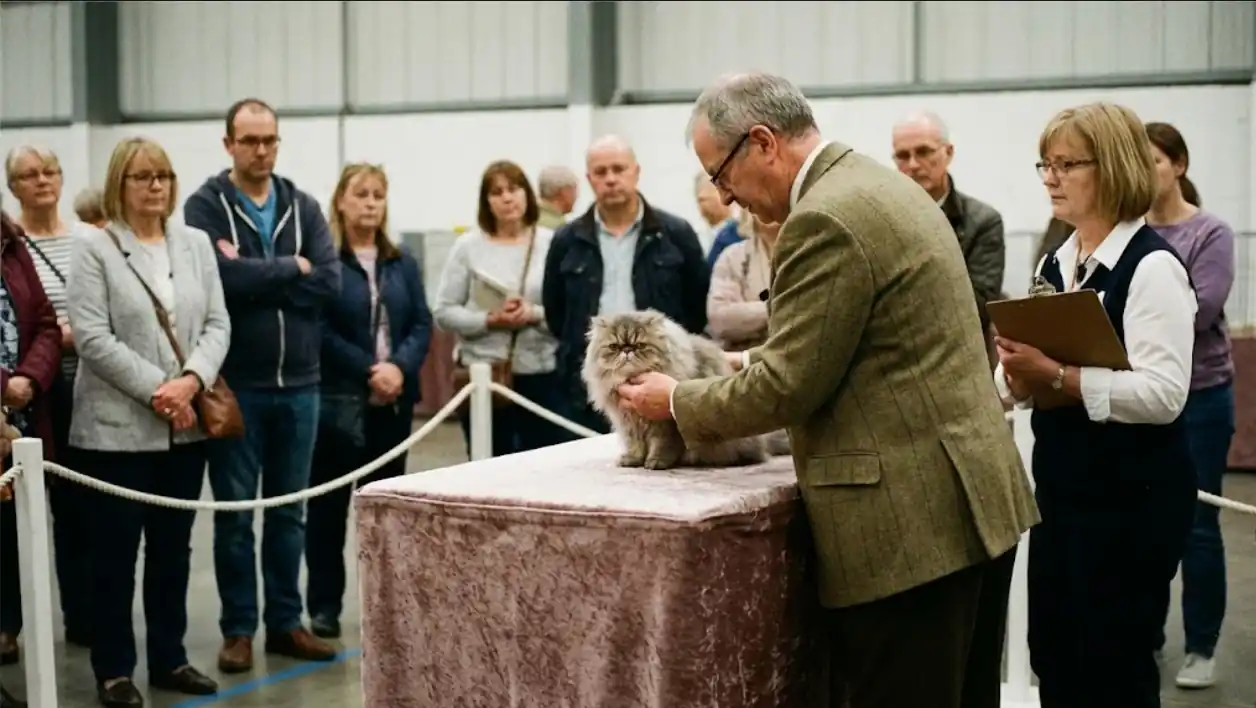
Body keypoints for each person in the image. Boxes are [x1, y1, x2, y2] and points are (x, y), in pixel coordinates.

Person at [616, 72, 1038, 708]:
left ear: (762, 142)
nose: (726, 197)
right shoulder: (875, 185)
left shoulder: (823, 221)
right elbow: (875, 342)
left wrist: (674, 400)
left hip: (907, 532)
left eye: (720, 174)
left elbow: (786, 389)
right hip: (968, 505)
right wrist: (745, 360)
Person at [994, 104, 1197, 708]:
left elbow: (1163, 396)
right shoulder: (1057, 262)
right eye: (1045, 165)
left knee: (1114, 669)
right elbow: (1027, 374)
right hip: (1064, 496)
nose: (1051, 178)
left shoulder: (1153, 267)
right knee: (1055, 655)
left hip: (1132, 503)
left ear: (1110, 168)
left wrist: (1057, 375)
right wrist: (1012, 382)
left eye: (1066, 164)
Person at [67, 136, 230, 704]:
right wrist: (160, 390)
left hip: (185, 432)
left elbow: (216, 323)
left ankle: (170, 658)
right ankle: (113, 670)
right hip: (114, 434)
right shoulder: (95, 248)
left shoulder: (196, 244)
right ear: (120, 183)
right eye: (142, 177)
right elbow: (91, 336)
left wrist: (191, 380)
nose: (155, 185)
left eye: (162, 175)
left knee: (172, 552)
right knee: (113, 557)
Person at [182, 98, 341, 671]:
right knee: (234, 517)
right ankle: (239, 628)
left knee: (289, 514)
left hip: (301, 385)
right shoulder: (205, 206)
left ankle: (285, 622)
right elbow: (218, 281)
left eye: (269, 139)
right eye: (249, 141)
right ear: (228, 144)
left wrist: (260, 275)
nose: (261, 150)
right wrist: (287, 268)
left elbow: (328, 279)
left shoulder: (303, 204)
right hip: (237, 387)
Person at [305, 163, 432, 639]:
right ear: (340, 200)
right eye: (361, 194)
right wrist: (367, 369)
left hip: (393, 402)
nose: (371, 203)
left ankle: (385, 602)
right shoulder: (326, 262)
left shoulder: (402, 261)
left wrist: (399, 367)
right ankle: (323, 606)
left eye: (378, 194)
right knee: (328, 510)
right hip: (338, 401)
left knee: (384, 506)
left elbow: (422, 321)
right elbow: (317, 329)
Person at [1144, 121, 1237, 690]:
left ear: (1178, 165)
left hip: (1201, 397)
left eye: (1154, 160)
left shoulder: (1212, 234)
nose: (1145, 170)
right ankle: (1146, 637)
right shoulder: (1129, 234)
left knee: (1199, 527)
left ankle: (1202, 647)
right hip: (1148, 397)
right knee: (1146, 521)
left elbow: (1198, 313)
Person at [0, 211, 61, 667]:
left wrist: (29, 380)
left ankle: (8, 627)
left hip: (23, 411)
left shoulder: (10, 242)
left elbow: (45, 323)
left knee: (13, 537)